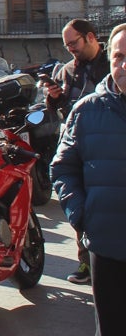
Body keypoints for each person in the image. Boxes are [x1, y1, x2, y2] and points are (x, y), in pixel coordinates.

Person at [50, 22, 126, 336]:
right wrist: (82, 215)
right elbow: (63, 166)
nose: (124, 63)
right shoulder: (88, 110)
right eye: (118, 56)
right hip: (108, 244)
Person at [57, 18, 112, 285]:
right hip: (79, 146)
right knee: (81, 203)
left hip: (107, 144)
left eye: (73, 43)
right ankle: (85, 262)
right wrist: (55, 99)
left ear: (90, 37)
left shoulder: (112, 63)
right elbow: (65, 111)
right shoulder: (68, 70)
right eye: (67, 45)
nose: (71, 49)